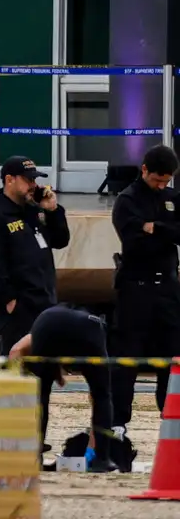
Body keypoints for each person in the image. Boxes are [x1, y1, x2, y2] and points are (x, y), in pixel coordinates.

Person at [108, 144, 180, 441]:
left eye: (166, 181)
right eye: (156, 180)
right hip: (136, 289)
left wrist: (157, 228)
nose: (161, 186)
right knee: (127, 358)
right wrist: (164, 232)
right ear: (144, 170)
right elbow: (135, 242)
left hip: (168, 289)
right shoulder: (127, 201)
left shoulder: (172, 197)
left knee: (172, 357)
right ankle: (118, 423)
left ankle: (171, 415)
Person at [0, 155, 70, 356]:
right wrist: (8, 301)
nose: (34, 185)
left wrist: (53, 211)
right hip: (19, 308)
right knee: (18, 367)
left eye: (34, 180)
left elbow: (60, 241)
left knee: (44, 368)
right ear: (10, 180)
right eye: (28, 180)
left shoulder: (33, 210)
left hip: (44, 302)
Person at [7, 303, 118, 473]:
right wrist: (92, 449)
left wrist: (18, 390)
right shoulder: (96, 327)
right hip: (88, 328)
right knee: (102, 395)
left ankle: (33, 458)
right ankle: (101, 460)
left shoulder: (47, 322)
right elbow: (98, 399)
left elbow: (15, 350)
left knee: (41, 396)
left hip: (48, 325)